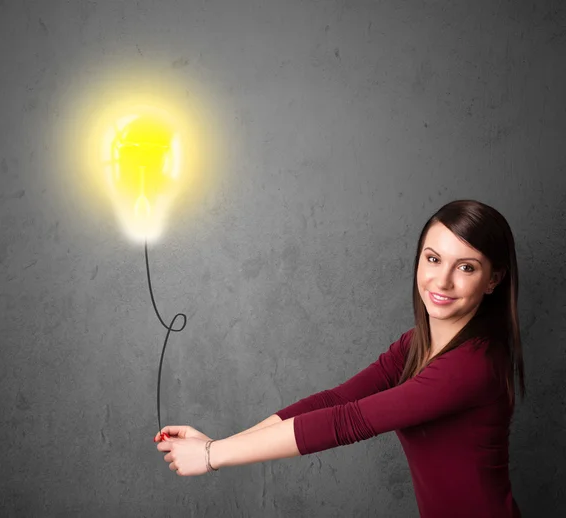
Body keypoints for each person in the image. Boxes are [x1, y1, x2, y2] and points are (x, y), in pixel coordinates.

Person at [154, 199, 525, 518]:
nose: (441, 281)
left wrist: (211, 455)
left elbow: (348, 421)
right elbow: (337, 399)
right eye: (433, 259)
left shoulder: (472, 366)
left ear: (493, 280)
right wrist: (216, 445)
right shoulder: (417, 344)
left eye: (466, 267)